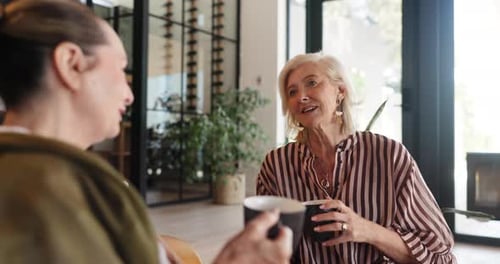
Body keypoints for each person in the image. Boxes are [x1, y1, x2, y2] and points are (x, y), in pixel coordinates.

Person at [0, 0, 292, 263]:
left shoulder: (66, 181)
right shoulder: (52, 195)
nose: (130, 95)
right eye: (121, 69)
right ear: (71, 63)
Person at [256, 52, 456, 263]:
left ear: (340, 91)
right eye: (292, 92)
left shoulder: (389, 156)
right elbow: (262, 246)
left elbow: (440, 255)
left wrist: (366, 230)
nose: (301, 97)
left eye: (312, 83)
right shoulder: (276, 165)